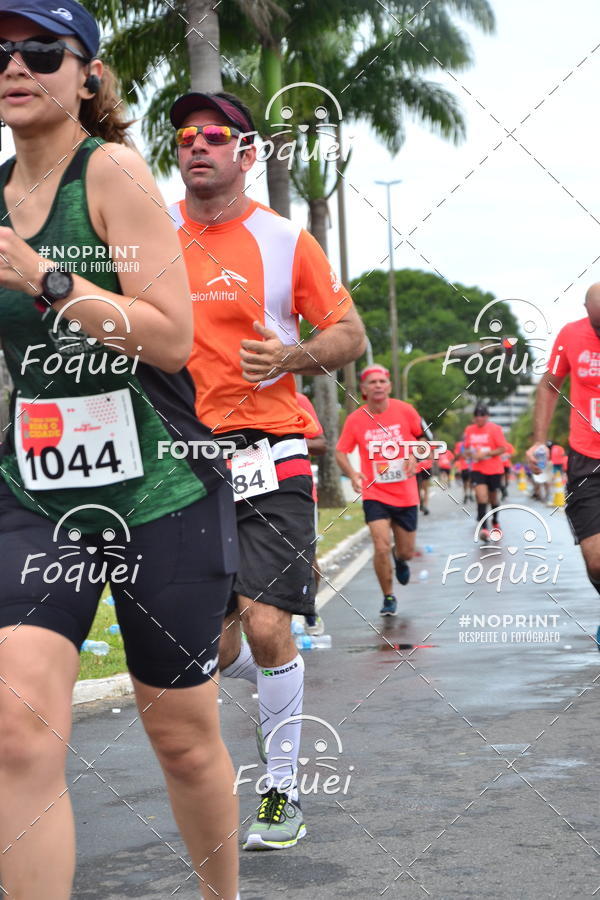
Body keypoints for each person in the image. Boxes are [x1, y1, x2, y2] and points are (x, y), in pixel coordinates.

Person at [0, 3, 239, 898]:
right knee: (16, 726)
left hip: (161, 487)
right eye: (1, 53)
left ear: (87, 74)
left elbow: (171, 336)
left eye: (40, 51)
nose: (16, 66)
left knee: (180, 737)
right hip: (38, 487)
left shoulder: (113, 173)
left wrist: (44, 277)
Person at [169, 89, 365, 850]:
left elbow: (346, 333)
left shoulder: (287, 242)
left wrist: (291, 354)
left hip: (272, 450)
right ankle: (269, 665)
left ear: (248, 156)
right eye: (186, 134)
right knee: (214, 651)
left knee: (267, 619)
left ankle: (280, 794)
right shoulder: (150, 239)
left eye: (216, 134)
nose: (198, 144)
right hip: (186, 464)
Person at [527, 285, 600, 649]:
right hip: (586, 458)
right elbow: (550, 385)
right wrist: (539, 439)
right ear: (586, 310)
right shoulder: (571, 335)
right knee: (596, 560)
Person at [335, 365, 425, 616]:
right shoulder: (355, 420)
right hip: (375, 493)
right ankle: (388, 596)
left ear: (389, 386)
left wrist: (415, 457)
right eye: (372, 382)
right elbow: (340, 451)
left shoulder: (405, 411)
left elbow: (426, 440)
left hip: (406, 492)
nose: (377, 385)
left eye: (382, 381)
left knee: (405, 550)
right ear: (363, 389)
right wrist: (352, 474)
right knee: (380, 545)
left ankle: (401, 558)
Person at [295, 390, 326, 637]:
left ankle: (310, 608)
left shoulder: (298, 400)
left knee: (305, 555)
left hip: (296, 491)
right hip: (245, 491)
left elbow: (320, 444)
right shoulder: (228, 396)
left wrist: (284, 441)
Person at [462, 403, 507, 541]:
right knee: (481, 497)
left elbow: (502, 449)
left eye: (482, 415)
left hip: (494, 469)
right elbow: (466, 450)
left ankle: (495, 520)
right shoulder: (469, 430)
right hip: (477, 468)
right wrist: (471, 454)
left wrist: (486, 453)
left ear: (487, 416)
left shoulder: (495, 429)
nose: (479, 418)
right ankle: (484, 528)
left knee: (493, 498)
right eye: (476, 415)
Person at [454, 438, 473, 503]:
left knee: (470, 481)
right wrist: (461, 453)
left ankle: (470, 494)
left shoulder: (472, 443)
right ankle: (466, 494)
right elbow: (456, 455)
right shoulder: (459, 445)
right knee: (465, 482)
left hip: (471, 466)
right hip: (463, 466)